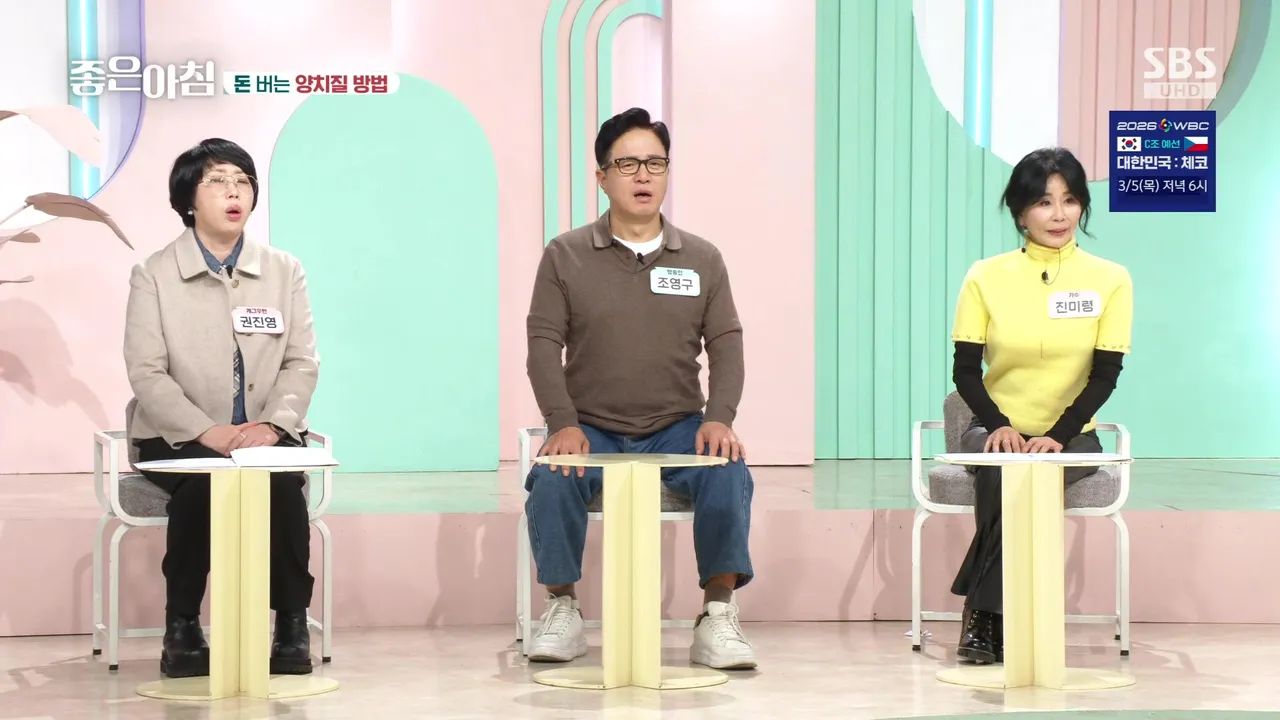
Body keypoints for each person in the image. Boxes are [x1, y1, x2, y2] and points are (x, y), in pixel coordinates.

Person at [523, 108, 756, 670]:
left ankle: (717, 615)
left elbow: (726, 344)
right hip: (591, 427)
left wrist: (719, 417)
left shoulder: (701, 258)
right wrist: (563, 423)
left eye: (655, 162)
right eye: (627, 164)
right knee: (552, 478)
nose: (643, 175)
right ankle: (562, 609)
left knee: (728, 472)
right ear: (602, 177)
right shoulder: (565, 254)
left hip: (677, 427)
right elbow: (542, 343)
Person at [123, 138, 320, 679]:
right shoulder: (154, 273)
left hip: (263, 436)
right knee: (203, 488)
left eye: (242, 181)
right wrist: (205, 430)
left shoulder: (283, 270)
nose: (234, 192)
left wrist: (273, 425)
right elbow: (146, 372)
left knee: (281, 489)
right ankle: (182, 627)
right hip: (177, 438)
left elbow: (302, 361)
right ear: (188, 199)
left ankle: (292, 624)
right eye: (217, 182)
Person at [948, 146, 1133, 665]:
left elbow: (1105, 375)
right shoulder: (986, 276)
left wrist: (1057, 435)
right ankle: (993, 615)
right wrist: (1000, 425)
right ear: (1019, 212)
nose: (1058, 214)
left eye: (1070, 200)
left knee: (1027, 471)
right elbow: (966, 372)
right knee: (1006, 465)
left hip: (1073, 435)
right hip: (994, 428)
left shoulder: (1111, 279)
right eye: (1043, 202)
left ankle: (983, 616)